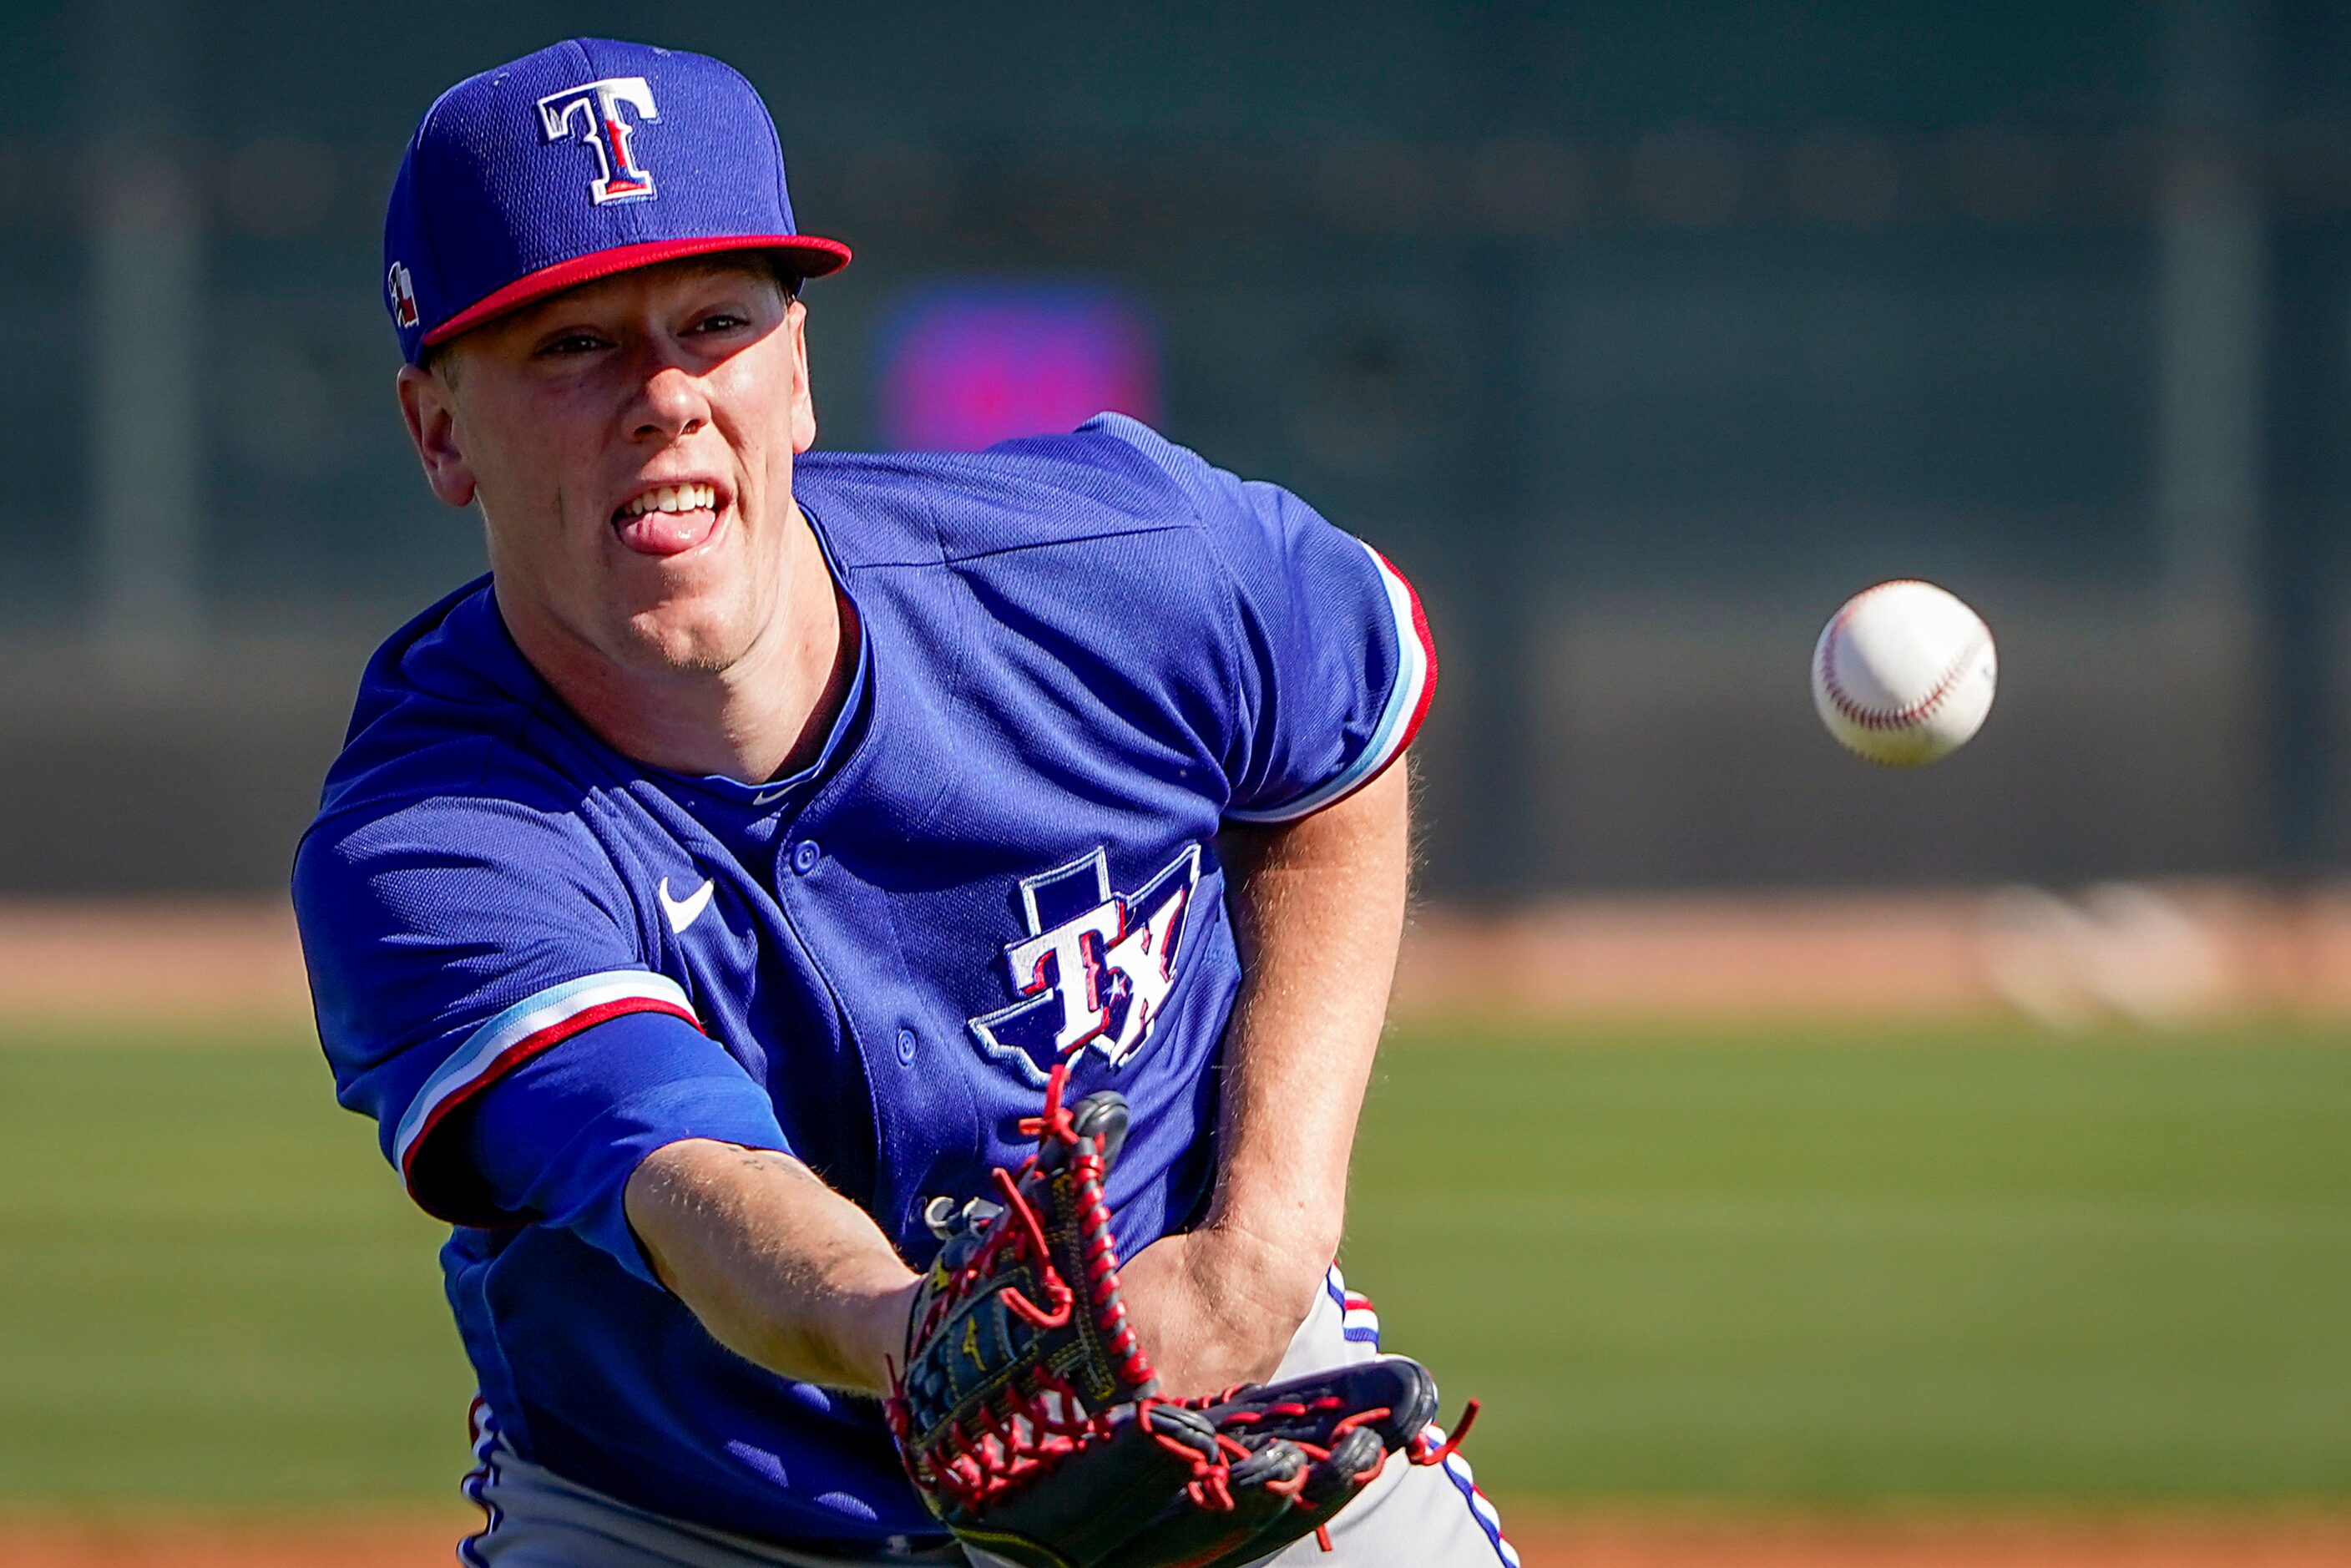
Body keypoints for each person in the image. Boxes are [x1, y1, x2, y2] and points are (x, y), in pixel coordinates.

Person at [294, 36, 1512, 1568]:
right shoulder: (433, 839)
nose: (666, 395)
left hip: (1201, 1398)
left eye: (717, 323)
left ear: (798, 372)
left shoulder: (1115, 571)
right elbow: (693, 1180)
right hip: (695, 1514)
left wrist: (1268, 1242)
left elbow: (1341, 732)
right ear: (438, 430)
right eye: (570, 345)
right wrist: (922, 1336)